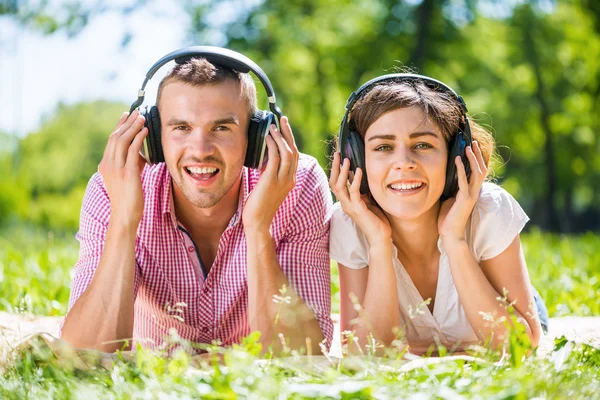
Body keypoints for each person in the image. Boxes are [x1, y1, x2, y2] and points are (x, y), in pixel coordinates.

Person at [60, 47, 333, 356]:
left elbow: (304, 355)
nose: (200, 149)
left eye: (221, 128)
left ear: (256, 137)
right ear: (153, 136)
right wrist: (124, 219)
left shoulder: (298, 183)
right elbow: (80, 356)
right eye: (181, 128)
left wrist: (258, 229)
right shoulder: (114, 187)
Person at [329, 74, 547, 355]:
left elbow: (519, 346)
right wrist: (379, 242)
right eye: (383, 147)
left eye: (423, 145)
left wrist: (454, 239)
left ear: (455, 154)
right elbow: (365, 353)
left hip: (508, 302)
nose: (404, 163)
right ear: (356, 159)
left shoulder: (488, 208)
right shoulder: (350, 222)